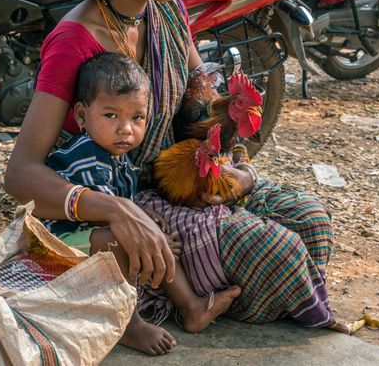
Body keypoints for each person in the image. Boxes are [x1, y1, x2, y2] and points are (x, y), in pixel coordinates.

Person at [4, 0, 336, 355]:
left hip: (167, 185)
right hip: (113, 198)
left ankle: (212, 283)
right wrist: (117, 211)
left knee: (311, 218)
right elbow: (21, 175)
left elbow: (196, 115)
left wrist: (229, 168)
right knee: (279, 251)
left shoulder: (167, 11)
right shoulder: (75, 40)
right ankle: (181, 296)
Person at [44, 52, 241, 335]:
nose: (125, 129)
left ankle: (192, 307)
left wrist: (149, 221)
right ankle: (128, 324)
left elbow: (123, 207)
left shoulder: (116, 155)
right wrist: (148, 232)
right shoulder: (86, 156)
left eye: (137, 118)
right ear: (81, 116)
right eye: (111, 115)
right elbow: (108, 216)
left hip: (86, 240)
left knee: (153, 232)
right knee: (130, 240)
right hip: (55, 248)